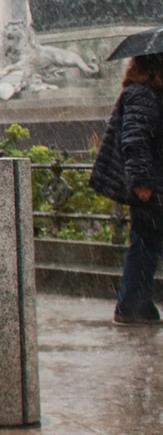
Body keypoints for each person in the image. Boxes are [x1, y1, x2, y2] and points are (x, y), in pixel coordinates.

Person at [92, 53, 163, 325]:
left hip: (153, 183)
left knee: (146, 245)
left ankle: (135, 304)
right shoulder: (141, 94)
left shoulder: (151, 93)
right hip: (150, 187)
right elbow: (135, 141)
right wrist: (142, 183)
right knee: (145, 245)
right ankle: (131, 306)